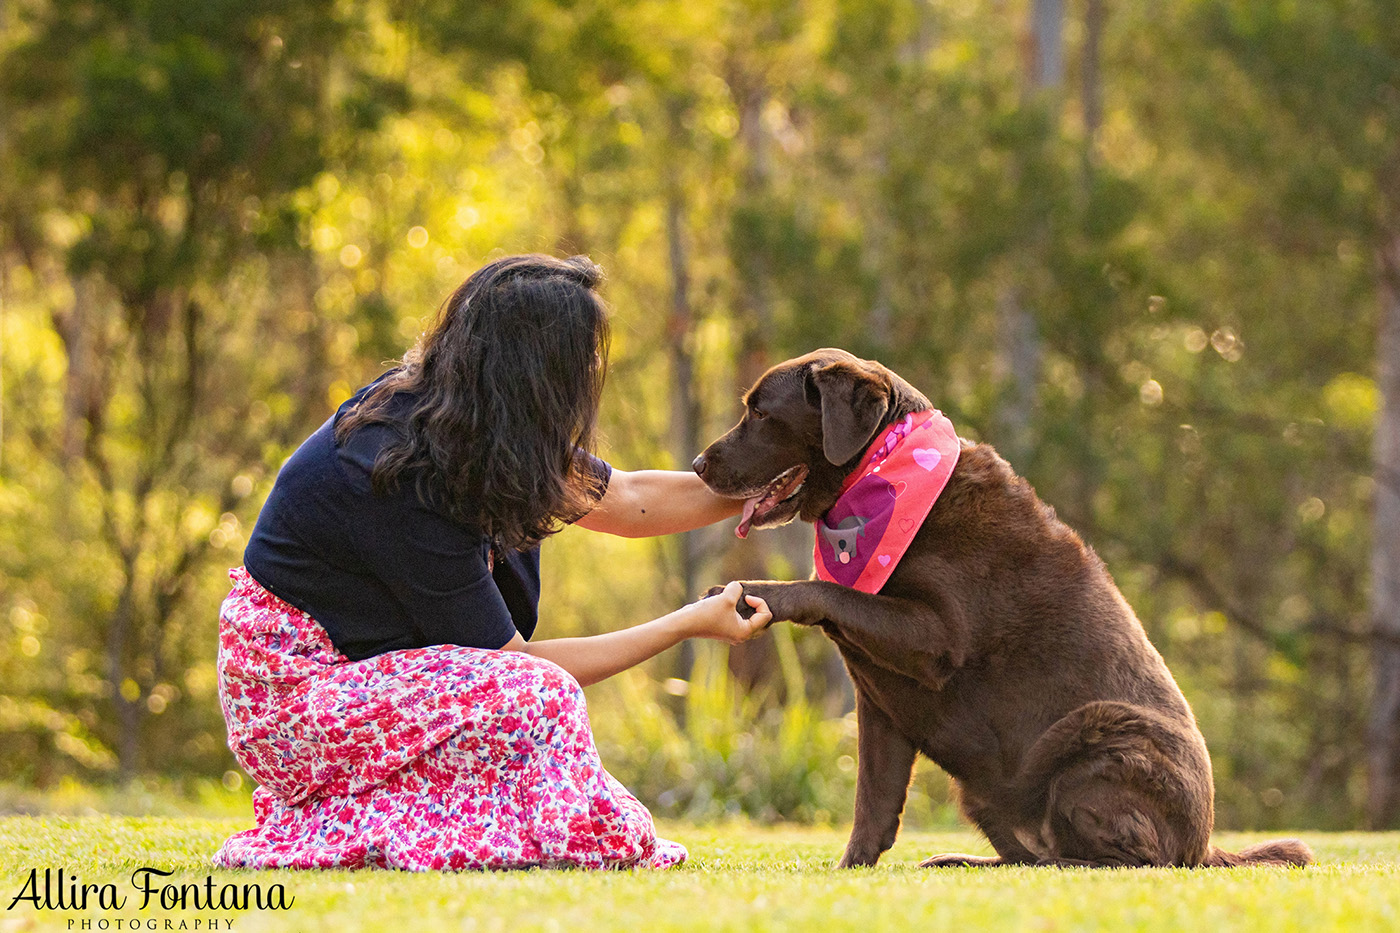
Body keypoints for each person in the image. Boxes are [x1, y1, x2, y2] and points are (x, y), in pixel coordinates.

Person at [213, 254, 769, 871]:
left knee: (535, 700)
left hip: (357, 671)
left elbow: (632, 500)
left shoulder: (474, 435)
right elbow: (511, 668)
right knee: (540, 693)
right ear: (532, 374)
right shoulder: (398, 469)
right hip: (292, 697)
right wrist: (686, 622)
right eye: (578, 364)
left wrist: (776, 486)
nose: (586, 381)